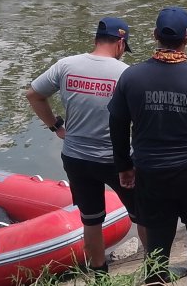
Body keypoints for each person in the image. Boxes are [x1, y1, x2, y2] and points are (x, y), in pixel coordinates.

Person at [109, 7, 187, 286]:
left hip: (151, 172)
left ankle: (156, 281)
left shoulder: (131, 77)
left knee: (157, 237)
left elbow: (117, 126)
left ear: (155, 35)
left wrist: (124, 167)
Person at [26, 17, 142, 273]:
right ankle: (155, 269)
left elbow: (34, 94)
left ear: (96, 40)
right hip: (117, 160)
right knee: (142, 214)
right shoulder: (127, 74)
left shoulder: (66, 65)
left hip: (76, 158)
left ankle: (99, 273)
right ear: (121, 44)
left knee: (91, 220)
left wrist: (56, 126)